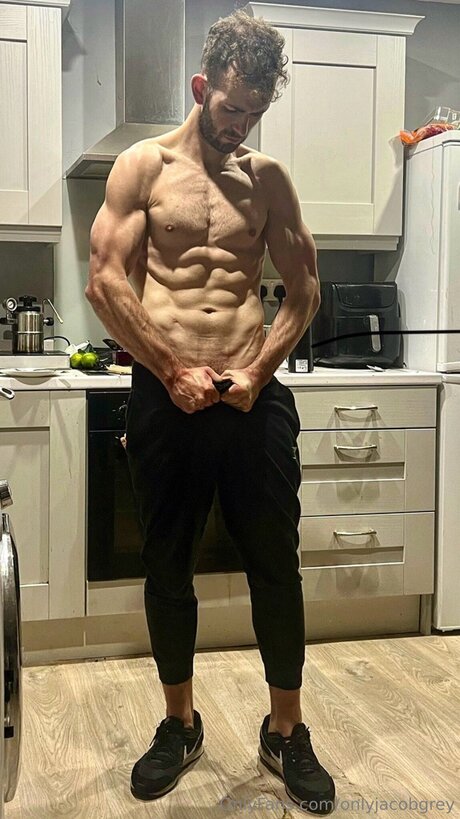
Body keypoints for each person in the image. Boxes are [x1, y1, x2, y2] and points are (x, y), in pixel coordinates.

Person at [86, 9, 335, 815]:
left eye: (255, 112)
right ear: (202, 87)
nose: (241, 126)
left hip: (250, 395)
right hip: (168, 396)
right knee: (168, 565)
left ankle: (286, 730)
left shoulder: (268, 181)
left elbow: (305, 291)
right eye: (231, 108)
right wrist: (168, 368)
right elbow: (104, 280)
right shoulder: (143, 167)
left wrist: (259, 371)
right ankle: (179, 723)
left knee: (276, 565)